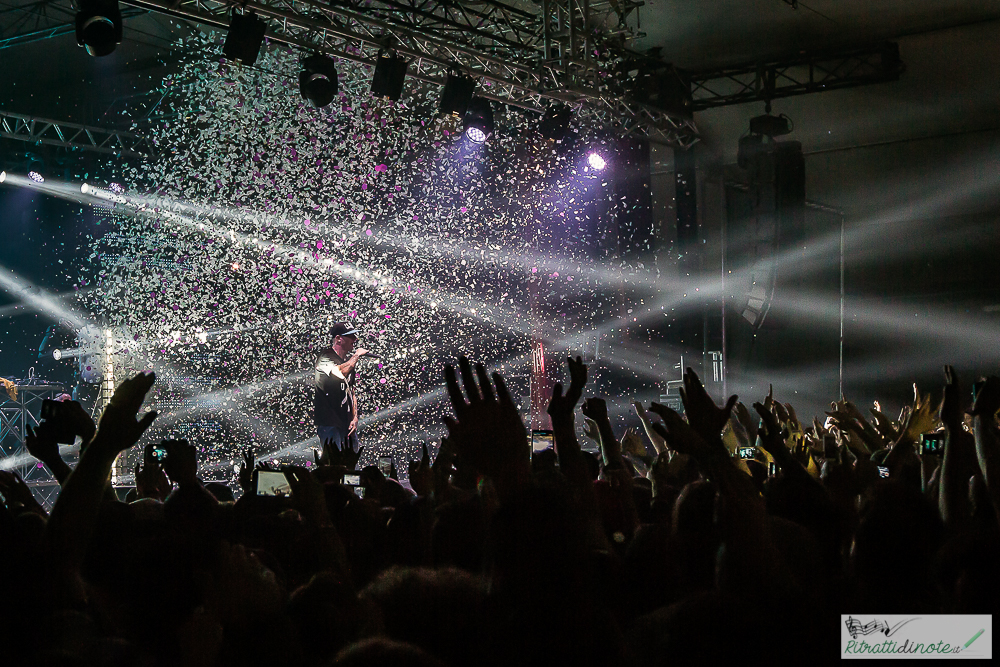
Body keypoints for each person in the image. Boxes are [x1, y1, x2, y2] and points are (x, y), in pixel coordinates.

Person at [315, 322, 369, 452]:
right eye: (350, 336)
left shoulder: (347, 363)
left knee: (350, 465)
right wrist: (356, 355)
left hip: (346, 425)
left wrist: (355, 417)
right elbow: (339, 372)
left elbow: (352, 392)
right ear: (339, 338)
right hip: (330, 423)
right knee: (335, 465)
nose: (355, 339)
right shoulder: (325, 357)